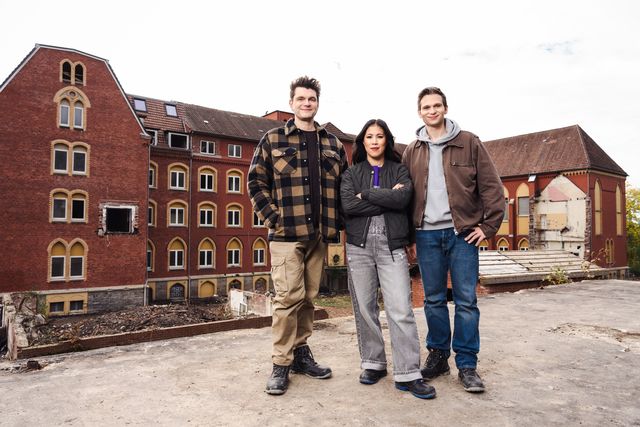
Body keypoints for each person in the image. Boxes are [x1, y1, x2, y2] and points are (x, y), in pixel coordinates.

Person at [248, 76, 348, 395]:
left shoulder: (332, 144)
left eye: (312, 99)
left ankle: (301, 353)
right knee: (287, 298)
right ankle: (281, 363)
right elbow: (255, 182)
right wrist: (273, 219)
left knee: (307, 298)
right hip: (286, 235)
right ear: (291, 103)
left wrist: (339, 222)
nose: (307, 103)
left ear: (317, 103)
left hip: (319, 234)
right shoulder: (273, 139)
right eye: (301, 98)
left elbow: (344, 187)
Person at [402, 87, 505, 393]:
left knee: (466, 301)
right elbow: (406, 196)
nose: (432, 111)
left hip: (462, 234)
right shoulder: (412, 150)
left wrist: (488, 227)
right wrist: (410, 236)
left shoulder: (469, 142)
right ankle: (438, 356)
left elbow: (492, 187)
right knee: (433, 299)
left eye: (437, 105)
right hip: (426, 235)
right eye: (426, 107)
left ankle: (467, 364)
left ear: (445, 108)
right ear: (419, 112)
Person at [341, 119, 436, 399]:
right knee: (365, 308)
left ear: (387, 140)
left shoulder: (399, 170)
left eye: (379, 136)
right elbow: (349, 205)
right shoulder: (351, 173)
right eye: (369, 136)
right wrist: (386, 198)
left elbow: (403, 200)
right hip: (358, 247)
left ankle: (408, 373)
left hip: (392, 246)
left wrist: (368, 195)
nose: (374, 141)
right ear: (363, 141)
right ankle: (373, 363)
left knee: (401, 309)